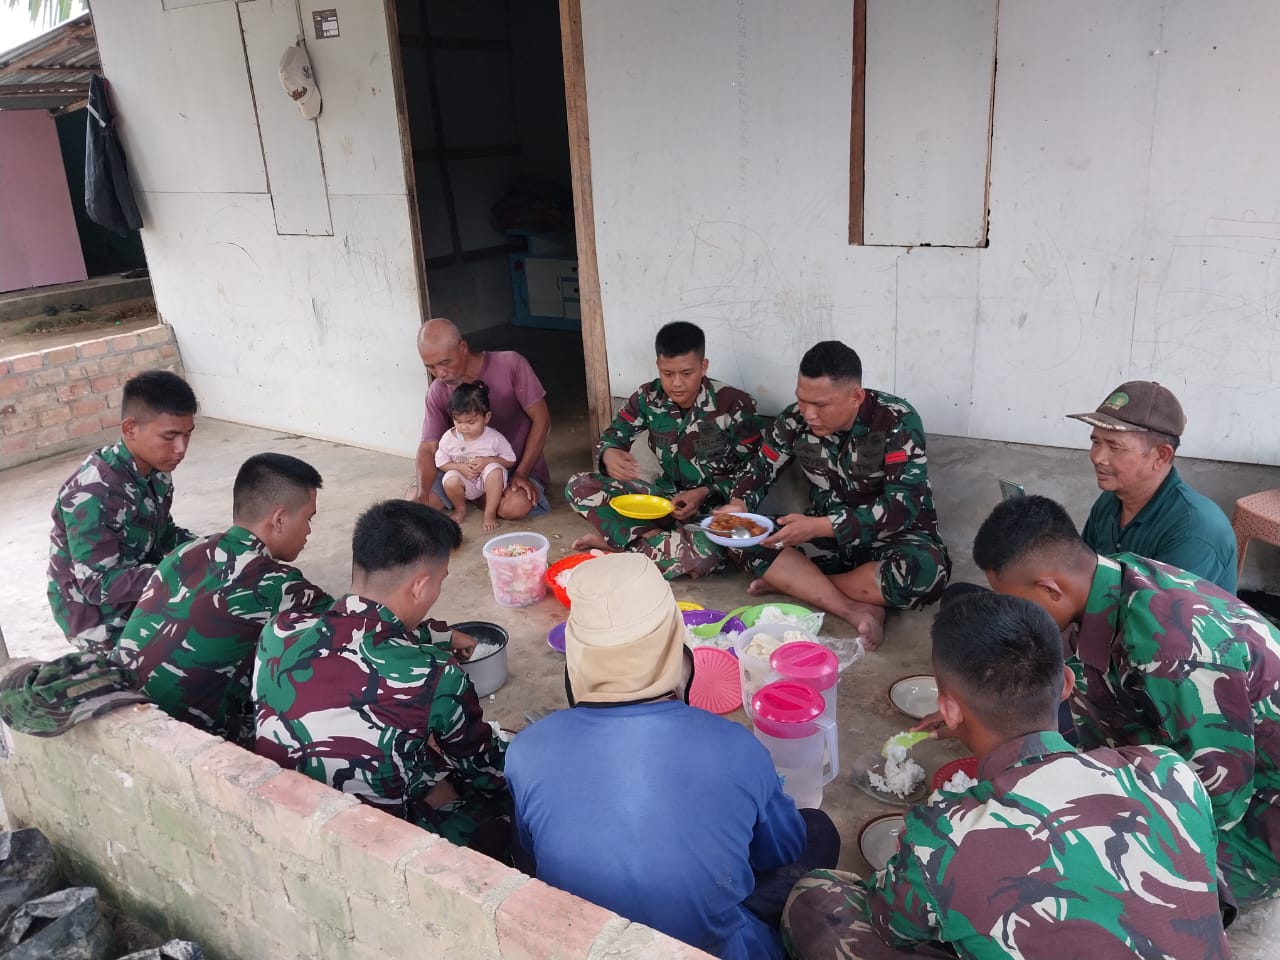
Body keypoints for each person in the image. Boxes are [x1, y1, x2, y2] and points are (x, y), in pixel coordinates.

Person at [784, 592, 1229, 960]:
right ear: (1066, 685)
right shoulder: (1167, 771)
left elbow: (893, 927)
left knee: (819, 899)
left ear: (948, 709)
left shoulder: (944, 839)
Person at [505, 553, 839, 960]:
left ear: (576, 659)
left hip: (584, 945)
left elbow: (532, 859)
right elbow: (781, 851)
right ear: (676, 651)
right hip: (707, 949)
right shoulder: (736, 748)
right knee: (817, 830)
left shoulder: (526, 750)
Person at [969, 494, 1280, 907]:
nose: (1015, 618)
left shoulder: (1170, 652)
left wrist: (1104, 824)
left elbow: (1218, 802)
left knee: (1077, 873)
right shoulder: (1108, 579)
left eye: (1016, 603)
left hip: (1258, 815)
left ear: (1050, 588)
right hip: (1211, 763)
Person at [254, 500, 510, 858]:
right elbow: (487, 773)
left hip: (277, 818)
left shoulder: (280, 630)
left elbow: (357, 635)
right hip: (364, 849)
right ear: (420, 586)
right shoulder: (436, 674)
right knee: (504, 812)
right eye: (440, 581)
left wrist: (438, 635)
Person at [719, 341, 949, 650]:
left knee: (925, 573)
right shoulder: (793, 421)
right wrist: (738, 503)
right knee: (739, 536)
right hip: (826, 544)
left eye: (821, 405)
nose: (809, 414)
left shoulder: (895, 420)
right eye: (802, 400)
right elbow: (761, 469)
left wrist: (820, 526)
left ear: (856, 397)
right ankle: (853, 608)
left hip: (893, 539)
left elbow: (900, 509)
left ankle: (796, 584)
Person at [115, 453, 330, 745]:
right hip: (184, 743)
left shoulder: (184, 552)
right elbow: (358, 625)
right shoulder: (278, 585)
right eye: (308, 518)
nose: (309, 531)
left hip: (119, 709)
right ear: (279, 519)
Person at [564, 321, 762, 579]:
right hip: (663, 501)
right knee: (579, 486)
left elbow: (756, 472)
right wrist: (609, 453)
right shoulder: (648, 397)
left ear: (704, 366)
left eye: (687, 373)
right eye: (667, 374)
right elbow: (613, 436)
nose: (676, 383)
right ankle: (655, 544)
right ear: (658, 366)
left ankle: (621, 545)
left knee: (706, 556)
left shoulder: (733, 404)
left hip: (714, 514)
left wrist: (705, 492)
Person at [48, 369, 199, 654]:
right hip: (99, 619)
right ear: (130, 428)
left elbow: (163, 534)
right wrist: (179, 571)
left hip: (137, 588)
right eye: (170, 436)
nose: (181, 448)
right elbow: (96, 585)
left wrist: (213, 548)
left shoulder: (156, 470)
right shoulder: (94, 493)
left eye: (187, 435)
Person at [1069, 380, 1237, 593]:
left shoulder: (1195, 530)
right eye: (1096, 442)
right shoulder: (1111, 501)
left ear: (1161, 456)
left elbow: (1165, 612)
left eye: (1115, 447)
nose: (1097, 457)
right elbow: (1083, 577)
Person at [414, 318, 551, 521]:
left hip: (513, 468)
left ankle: (474, 498)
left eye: (445, 362)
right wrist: (422, 492)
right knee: (413, 503)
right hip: (462, 470)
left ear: (463, 347)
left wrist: (521, 472)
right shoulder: (437, 390)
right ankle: (481, 497)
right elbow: (428, 446)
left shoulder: (510, 364)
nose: (439, 374)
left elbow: (542, 420)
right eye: (430, 367)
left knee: (515, 506)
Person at [434, 381, 518, 532]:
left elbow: (510, 460)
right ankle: (460, 509)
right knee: (450, 479)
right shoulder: (449, 438)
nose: (464, 427)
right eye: (458, 421)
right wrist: (459, 467)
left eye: (471, 422)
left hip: (488, 482)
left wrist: (488, 461)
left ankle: (489, 513)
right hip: (465, 481)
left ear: (487, 417)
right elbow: (441, 462)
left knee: (495, 471)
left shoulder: (494, 438)